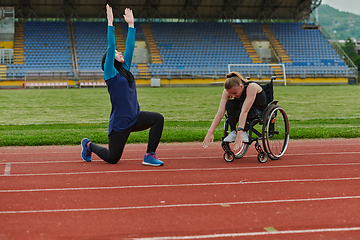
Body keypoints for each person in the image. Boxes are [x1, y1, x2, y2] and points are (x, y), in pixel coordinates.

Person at [81, 4, 164, 166]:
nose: (120, 53)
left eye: (120, 52)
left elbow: (130, 47)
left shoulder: (125, 69)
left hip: (135, 117)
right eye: (117, 53)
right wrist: (110, 23)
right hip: (120, 123)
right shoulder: (110, 74)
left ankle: (150, 155)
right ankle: (88, 145)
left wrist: (131, 25)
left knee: (158, 119)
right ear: (110, 59)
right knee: (113, 158)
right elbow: (111, 47)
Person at [202, 72, 266, 150]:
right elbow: (220, 112)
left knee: (241, 105)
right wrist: (210, 132)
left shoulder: (252, 87)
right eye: (230, 93)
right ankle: (233, 132)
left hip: (257, 109)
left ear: (241, 86)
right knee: (229, 104)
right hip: (242, 108)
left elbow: (245, 110)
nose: (232, 96)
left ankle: (244, 132)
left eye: (235, 93)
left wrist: (240, 132)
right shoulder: (227, 91)